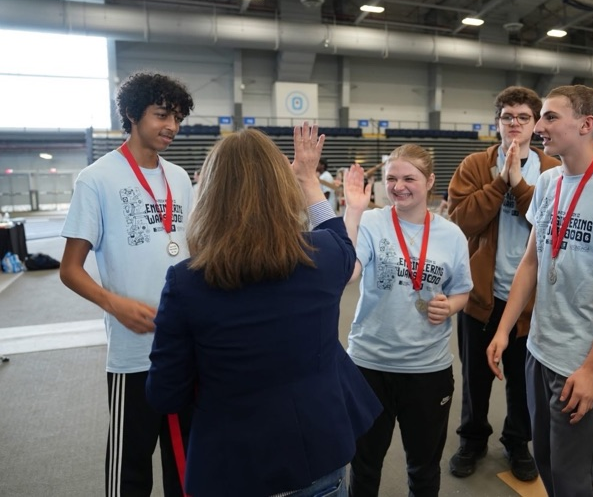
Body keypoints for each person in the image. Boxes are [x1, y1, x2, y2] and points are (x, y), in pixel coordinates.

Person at [145, 123, 382, 497]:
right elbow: (340, 237)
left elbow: (166, 394)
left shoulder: (186, 283)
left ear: (209, 194)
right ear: (282, 190)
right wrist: (307, 179)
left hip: (235, 465)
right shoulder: (324, 256)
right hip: (318, 451)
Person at [487, 85, 593, 496]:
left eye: (550, 117)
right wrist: (505, 330)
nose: (537, 126)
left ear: (586, 125)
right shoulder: (548, 183)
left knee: (573, 484)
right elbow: (531, 262)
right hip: (538, 353)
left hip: (580, 365)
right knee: (548, 468)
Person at [59, 71, 195, 496]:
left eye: (177, 118)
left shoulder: (180, 178)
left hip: (185, 346)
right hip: (133, 353)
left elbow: (190, 252)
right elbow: (70, 268)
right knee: (129, 471)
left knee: (187, 466)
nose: (171, 127)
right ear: (132, 114)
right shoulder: (97, 179)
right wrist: (113, 303)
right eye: (161, 115)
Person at [344, 144, 474, 497]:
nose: (398, 186)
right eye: (391, 178)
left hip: (426, 370)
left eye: (408, 178)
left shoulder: (452, 235)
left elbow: (462, 291)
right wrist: (352, 214)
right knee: (365, 464)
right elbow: (349, 274)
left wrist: (450, 307)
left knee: (423, 467)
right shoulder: (372, 222)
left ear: (430, 181)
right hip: (369, 364)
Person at [447, 86, 560, 480]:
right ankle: (473, 439)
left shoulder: (552, 170)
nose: (514, 124)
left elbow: (550, 227)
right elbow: (461, 221)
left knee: (522, 380)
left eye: (523, 117)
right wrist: (501, 183)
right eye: (507, 117)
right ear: (497, 122)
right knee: (475, 377)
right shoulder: (475, 165)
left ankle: (517, 443)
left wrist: (521, 184)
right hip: (481, 295)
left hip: (530, 300)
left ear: (536, 124)